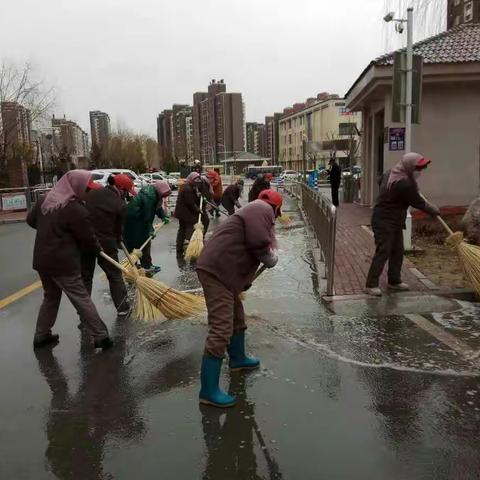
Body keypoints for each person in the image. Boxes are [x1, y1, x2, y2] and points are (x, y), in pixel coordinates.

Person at [196, 189, 282, 408]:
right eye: (278, 213)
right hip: (216, 272)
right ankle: (208, 391)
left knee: (237, 319)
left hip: (225, 272)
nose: (277, 219)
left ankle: (238, 359)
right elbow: (258, 243)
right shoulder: (261, 209)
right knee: (221, 328)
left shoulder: (254, 210)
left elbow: (246, 249)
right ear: (275, 208)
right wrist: (271, 258)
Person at [27, 170, 113, 350]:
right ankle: (101, 335)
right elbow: (88, 239)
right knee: (81, 297)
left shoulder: (45, 200)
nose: (87, 192)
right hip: (63, 263)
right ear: (77, 186)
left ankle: (41, 335)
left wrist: (49, 231)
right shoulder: (75, 209)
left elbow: (31, 220)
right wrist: (98, 250)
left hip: (43, 260)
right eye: (86, 188)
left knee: (50, 296)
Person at [365, 153, 440, 296]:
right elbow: (418, 202)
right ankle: (371, 284)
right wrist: (433, 210)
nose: (420, 172)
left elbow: (380, 181)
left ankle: (394, 281)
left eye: (421, 169)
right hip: (384, 221)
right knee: (384, 251)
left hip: (393, 220)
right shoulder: (404, 183)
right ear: (409, 167)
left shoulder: (391, 173)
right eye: (418, 168)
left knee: (397, 251)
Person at [81, 174, 135, 317]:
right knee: (115, 275)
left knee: (86, 277)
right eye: (126, 191)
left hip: (85, 240)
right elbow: (118, 229)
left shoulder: (92, 194)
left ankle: (83, 312)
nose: (126, 195)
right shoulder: (120, 204)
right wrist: (118, 239)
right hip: (106, 243)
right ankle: (123, 308)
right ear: (120, 188)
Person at [123, 180, 171, 274]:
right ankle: (146, 266)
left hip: (133, 220)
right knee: (143, 241)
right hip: (136, 220)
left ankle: (135, 265)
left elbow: (157, 207)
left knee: (135, 242)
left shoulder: (152, 193)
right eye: (164, 195)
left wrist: (163, 216)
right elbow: (147, 215)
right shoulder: (150, 197)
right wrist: (150, 230)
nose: (164, 197)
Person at [174, 171, 210, 258]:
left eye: (198, 179)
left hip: (183, 212)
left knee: (182, 230)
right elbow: (190, 203)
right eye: (195, 179)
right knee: (188, 229)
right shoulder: (187, 188)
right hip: (185, 213)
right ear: (191, 179)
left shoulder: (190, 186)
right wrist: (198, 210)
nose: (197, 181)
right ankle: (189, 248)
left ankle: (180, 249)